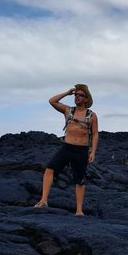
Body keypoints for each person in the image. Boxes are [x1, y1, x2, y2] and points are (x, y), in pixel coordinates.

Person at [34, 84, 99, 216]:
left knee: (80, 180)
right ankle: (43, 200)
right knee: (49, 169)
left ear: (86, 99)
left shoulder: (91, 116)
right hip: (67, 148)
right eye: (76, 95)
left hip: (81, 150)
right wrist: (67, 93)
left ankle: (79, 210)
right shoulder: (68, 110)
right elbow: (52, 101)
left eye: (80, 95)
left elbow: (95, 134)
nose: (77, 97)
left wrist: (93, 152)